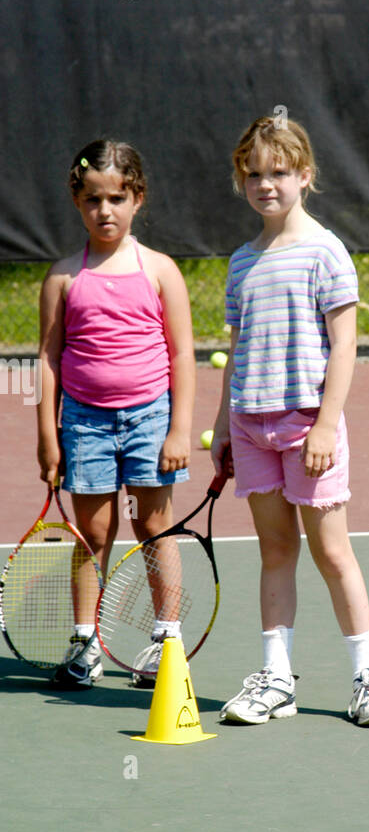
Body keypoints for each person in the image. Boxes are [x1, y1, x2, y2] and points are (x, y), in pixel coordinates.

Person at [210, 115, 369, 727]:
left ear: (306, 176)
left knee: (333, 553)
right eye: (254, 174)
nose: (266, 184)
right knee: (275, 551)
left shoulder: (327, 251)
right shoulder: (240, 261)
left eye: (279, 172)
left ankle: (367, 679)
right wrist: (222, 427)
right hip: (250, 427)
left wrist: (324, 425)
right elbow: (236, 352)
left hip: (309, 426)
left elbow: (345, 346)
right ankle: (276, 679)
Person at [37, 140, 195, 688]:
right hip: (84, 422)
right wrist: (48, 438)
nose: (105, 210)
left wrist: (178, 428)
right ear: (77, 203)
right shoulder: (62, 277)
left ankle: (166, 641)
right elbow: (49, 359)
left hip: (152, 418)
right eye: (92, 200)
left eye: (117, 198)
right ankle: (85, 644)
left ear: (138, 197)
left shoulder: (161, 271)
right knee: (92, 534)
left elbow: (180, 353)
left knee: (156, 528)